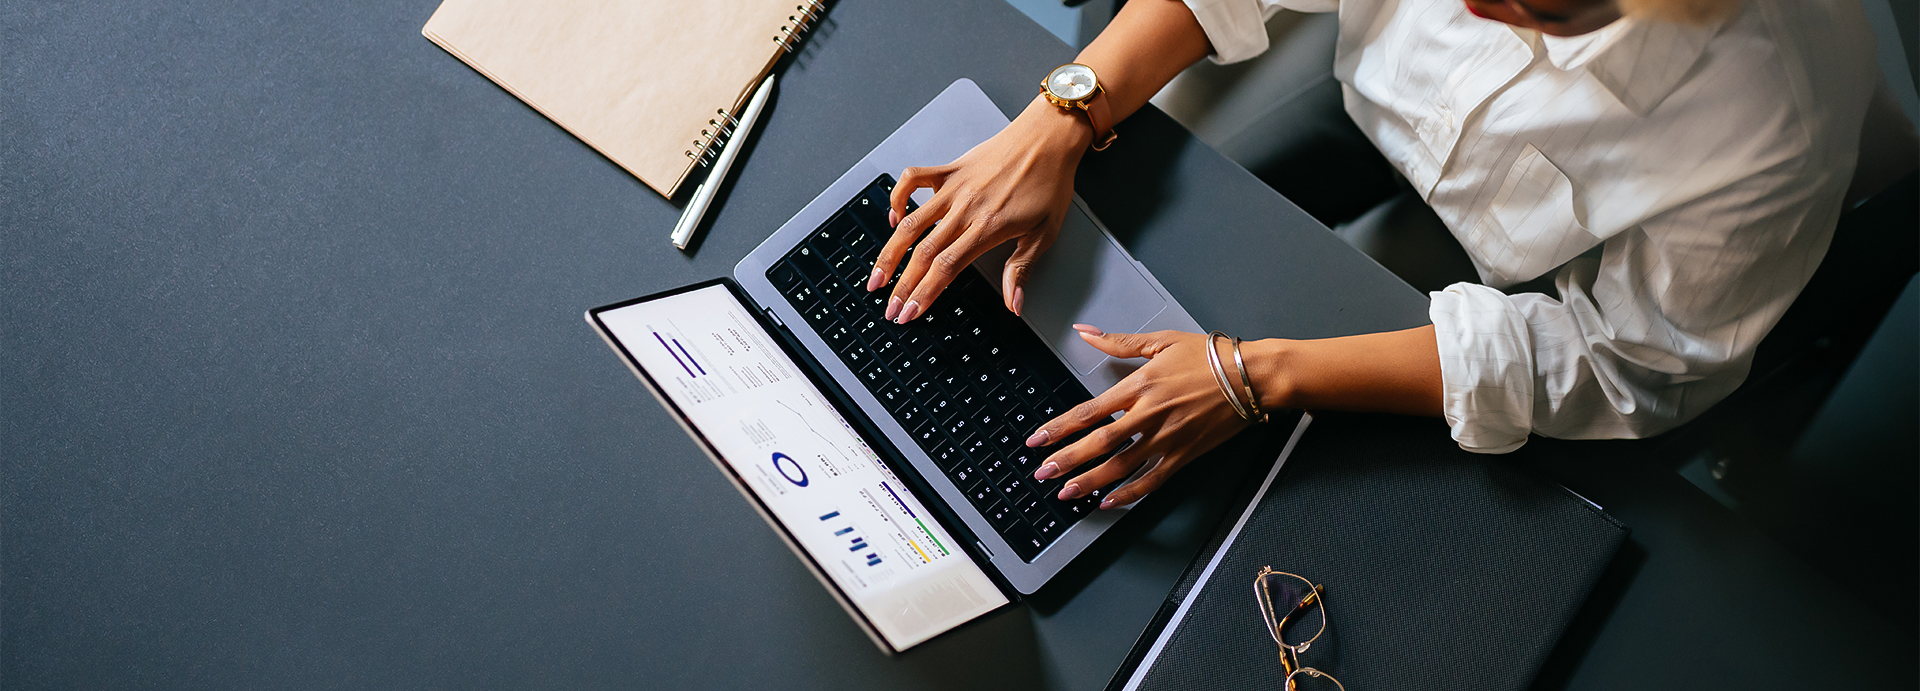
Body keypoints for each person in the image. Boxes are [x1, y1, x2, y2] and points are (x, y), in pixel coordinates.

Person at [865, 0, 1879, 509]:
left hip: (1523, 261)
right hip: (1365, 85)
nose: (1473, 8)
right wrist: (1062, 115)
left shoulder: (1773, 115)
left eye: (1539, 5)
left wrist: (1262, 374)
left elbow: (1627, 362)